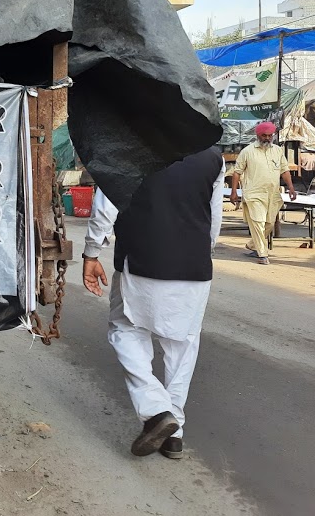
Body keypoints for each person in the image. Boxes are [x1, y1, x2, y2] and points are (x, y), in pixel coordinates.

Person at [82, 147, 224, 459]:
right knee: (182, 345)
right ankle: (175, 436)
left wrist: (92, 252)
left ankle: (158, 412)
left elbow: (106, 207)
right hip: (194, 268)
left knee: (125, 331)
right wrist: (199, 252)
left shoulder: (124, 148)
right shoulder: (212, 158)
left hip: (141, 262)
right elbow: (213, 219)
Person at [229, 121, 296, 265]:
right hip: (254, 193)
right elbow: (237, 173)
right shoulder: (247, 151)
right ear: (258, 135)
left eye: (269, 135)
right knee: (258, 222)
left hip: (273, 194)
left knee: (269, 223)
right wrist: (234, 192)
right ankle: (262, 254)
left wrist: (291, 187)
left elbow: (284, 170)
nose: (267, 138)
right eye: (264, 135)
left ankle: (253, 245)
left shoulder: (278, 151)